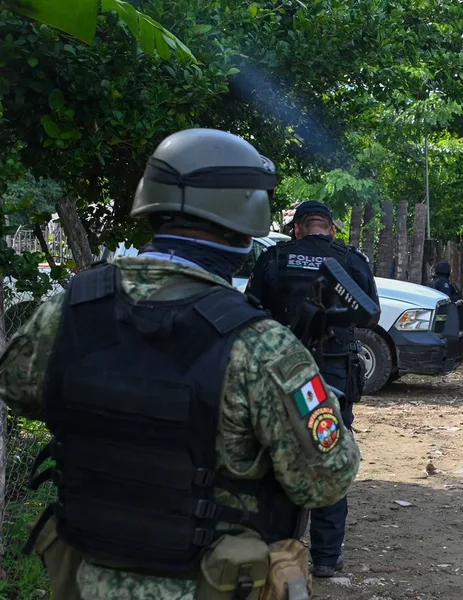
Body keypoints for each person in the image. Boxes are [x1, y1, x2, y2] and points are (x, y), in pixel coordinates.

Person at [0, 129, 361, 599]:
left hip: (84, 577)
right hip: (206, 583)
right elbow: (325, 480)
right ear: (242, 212)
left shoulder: (69, 309)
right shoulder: (260, 346)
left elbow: (18, 389)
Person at [248, 200, 379, 578]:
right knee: (329, 450)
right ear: (331, 228)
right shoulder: (352, 260)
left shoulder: (275, 258)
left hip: (280, 368)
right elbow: (371, 312)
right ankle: (324, 557)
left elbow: (252, 310)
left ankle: (274, 550)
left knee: (273, 451)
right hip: (333, 371)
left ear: (298, 228)